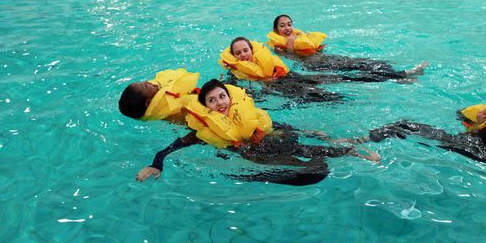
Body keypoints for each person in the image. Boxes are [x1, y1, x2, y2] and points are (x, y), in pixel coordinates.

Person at [135, 79, 379, 186]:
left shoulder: (244, 113)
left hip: (269, 138)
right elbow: (174, 145)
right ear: (206, 107)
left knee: (304, 149)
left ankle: (352, 152)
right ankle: (341, 154)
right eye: (212, 101)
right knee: (304, 168)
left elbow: (273, 124)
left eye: (222, 96)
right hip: (256, 154)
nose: (220, 103)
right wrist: (157, 164)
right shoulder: (204, 129)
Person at [362, 77, 486, 164]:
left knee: (403, 125)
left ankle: (361, 142)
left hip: (485, 155)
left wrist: (478, 125)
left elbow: (472, 138)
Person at [267, 15, 428, 81]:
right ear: (276, 30)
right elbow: (293, 60)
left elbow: (314, 49)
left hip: (327, 59)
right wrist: (289, 47)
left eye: (289, 24)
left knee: (363, 63)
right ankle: (403, 76)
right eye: (282, 26)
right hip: (317, 66)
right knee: (358, 75)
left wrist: (318, 48)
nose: (287, 28)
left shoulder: (301, 37)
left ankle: (397, 74)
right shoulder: (278, 47)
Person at [118, 68, 199, 123]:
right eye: (146, 85)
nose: (148, 81)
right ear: (148, 103)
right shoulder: (168, 114)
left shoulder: (159, 96)